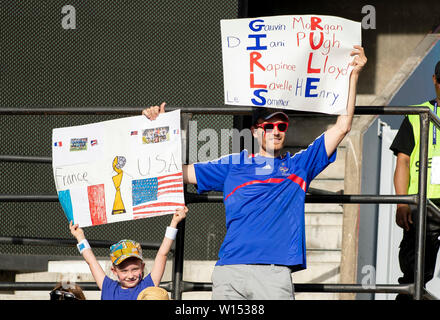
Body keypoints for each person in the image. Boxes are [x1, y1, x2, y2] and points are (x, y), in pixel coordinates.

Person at [143, 45, 367, 300]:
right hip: (229, 270)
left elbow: (342, 127)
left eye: (281, 125)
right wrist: (156, 129)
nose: (276, 130)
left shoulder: (299, 165)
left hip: (273, 273)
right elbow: (177, 173)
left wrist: (354, 75)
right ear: (254, 131)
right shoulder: (233, 164)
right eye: (268, 125)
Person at [390, 60, 440, 300]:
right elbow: (403, 161)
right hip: (422, 202)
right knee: (415, 274)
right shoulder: (417, 114)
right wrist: (401, 203)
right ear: (434, 80)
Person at [69, 206, 188, 300]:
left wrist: (174, 222)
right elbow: (91, 261)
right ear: (114, 271)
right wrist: (80, 237)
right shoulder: (109, 288)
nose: (130, 276)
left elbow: (162, 254)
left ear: (142, 267)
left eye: (135, 269)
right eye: (124, 271)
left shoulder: (147, 286)